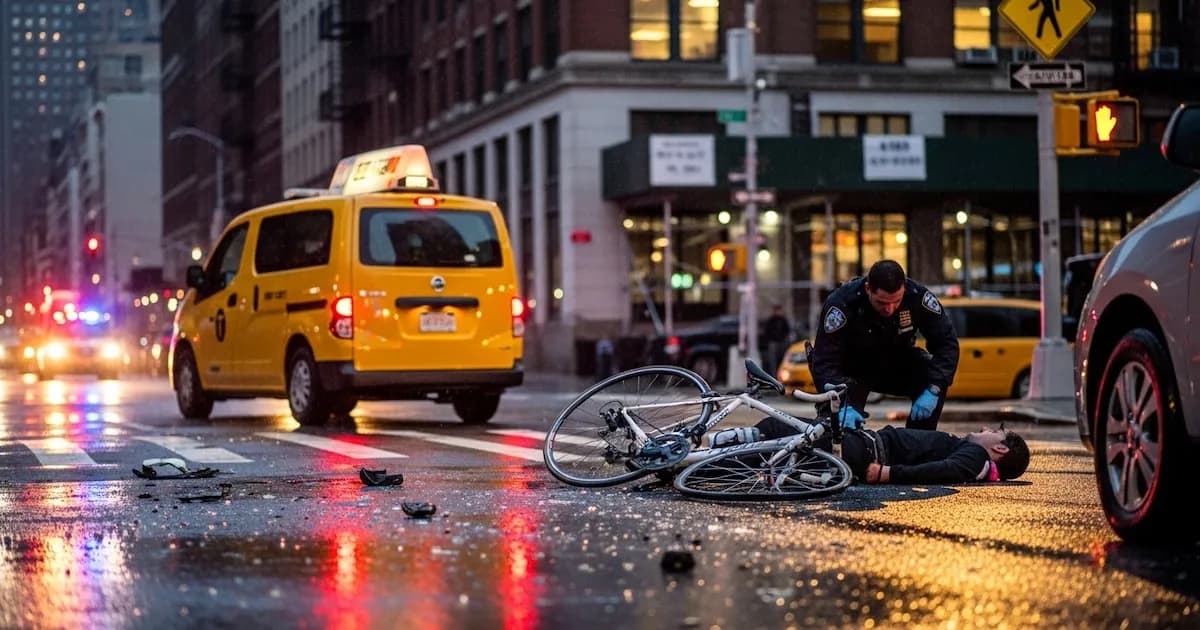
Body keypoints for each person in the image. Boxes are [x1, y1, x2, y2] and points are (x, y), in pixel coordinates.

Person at [810, 259, 959, 431]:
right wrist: (842, 404)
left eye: (896, 301)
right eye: (882, 302)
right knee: (842, 429)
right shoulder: (842, 303)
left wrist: (934, 388)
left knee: (932, 378)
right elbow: (825, 360)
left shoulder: (917, 297)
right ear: (868, 289)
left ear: (904, 288)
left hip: (896, 363)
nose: (889, 309)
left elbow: (947, 344)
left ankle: (919, 443)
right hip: (853, 371)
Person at [754, 416, 1031, 485]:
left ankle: (721, 449)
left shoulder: (977, 457)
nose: (984, 429)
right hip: (866, 445)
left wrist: (887, 474)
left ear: (999, 448)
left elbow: (946, 471)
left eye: (992, 432)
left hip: (868, 451)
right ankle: (720, 461)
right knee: (783, 446)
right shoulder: (975, 457)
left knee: (779, 430)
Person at [762, 304, 792, 374]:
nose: (778, 312)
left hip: (782, 342)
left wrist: (784, 338)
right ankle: (774, 374)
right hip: (773, 342)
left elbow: (787, 330)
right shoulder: (771, 320)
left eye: (779, 311)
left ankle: (781, 373)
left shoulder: (783, 320)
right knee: (773, 360)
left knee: (782, 359)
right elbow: (767, 331)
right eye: (777, 311)